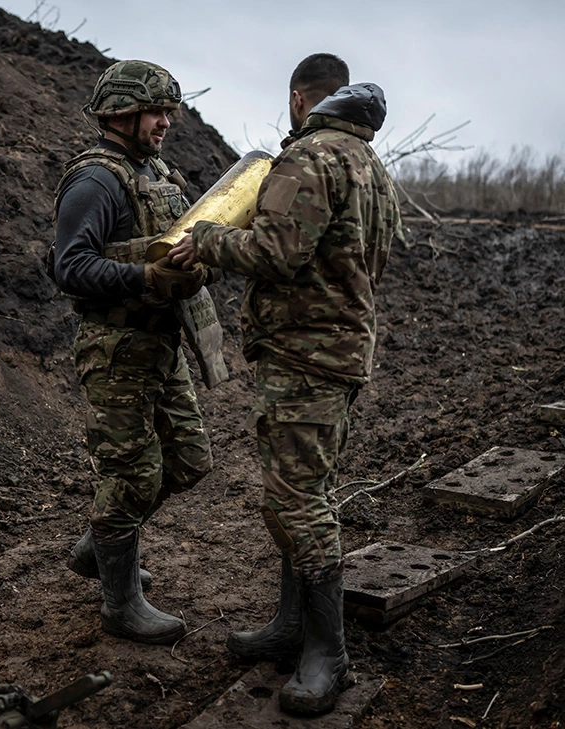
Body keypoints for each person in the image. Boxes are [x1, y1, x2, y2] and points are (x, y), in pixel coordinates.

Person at [169, 53, 403, 714]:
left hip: (305, 358)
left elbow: (276, 252)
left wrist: (212, 237)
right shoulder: (372, 166)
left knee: (297, 501)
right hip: (341, 353)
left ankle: (327, 652)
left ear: (301, 100)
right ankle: (290, 625)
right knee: (310, 489)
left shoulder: (307, 160)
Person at [51, 60, 214, 645]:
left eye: (169, 110)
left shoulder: (153, 171)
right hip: (116, 349)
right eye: (157, 111)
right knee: (132, 475)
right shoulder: (94, 181)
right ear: (122, 112)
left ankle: (102, 544)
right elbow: (69, 266)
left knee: (189, 459)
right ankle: (120, 604)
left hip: (160, 344)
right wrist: (145, 275)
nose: (167, 121)